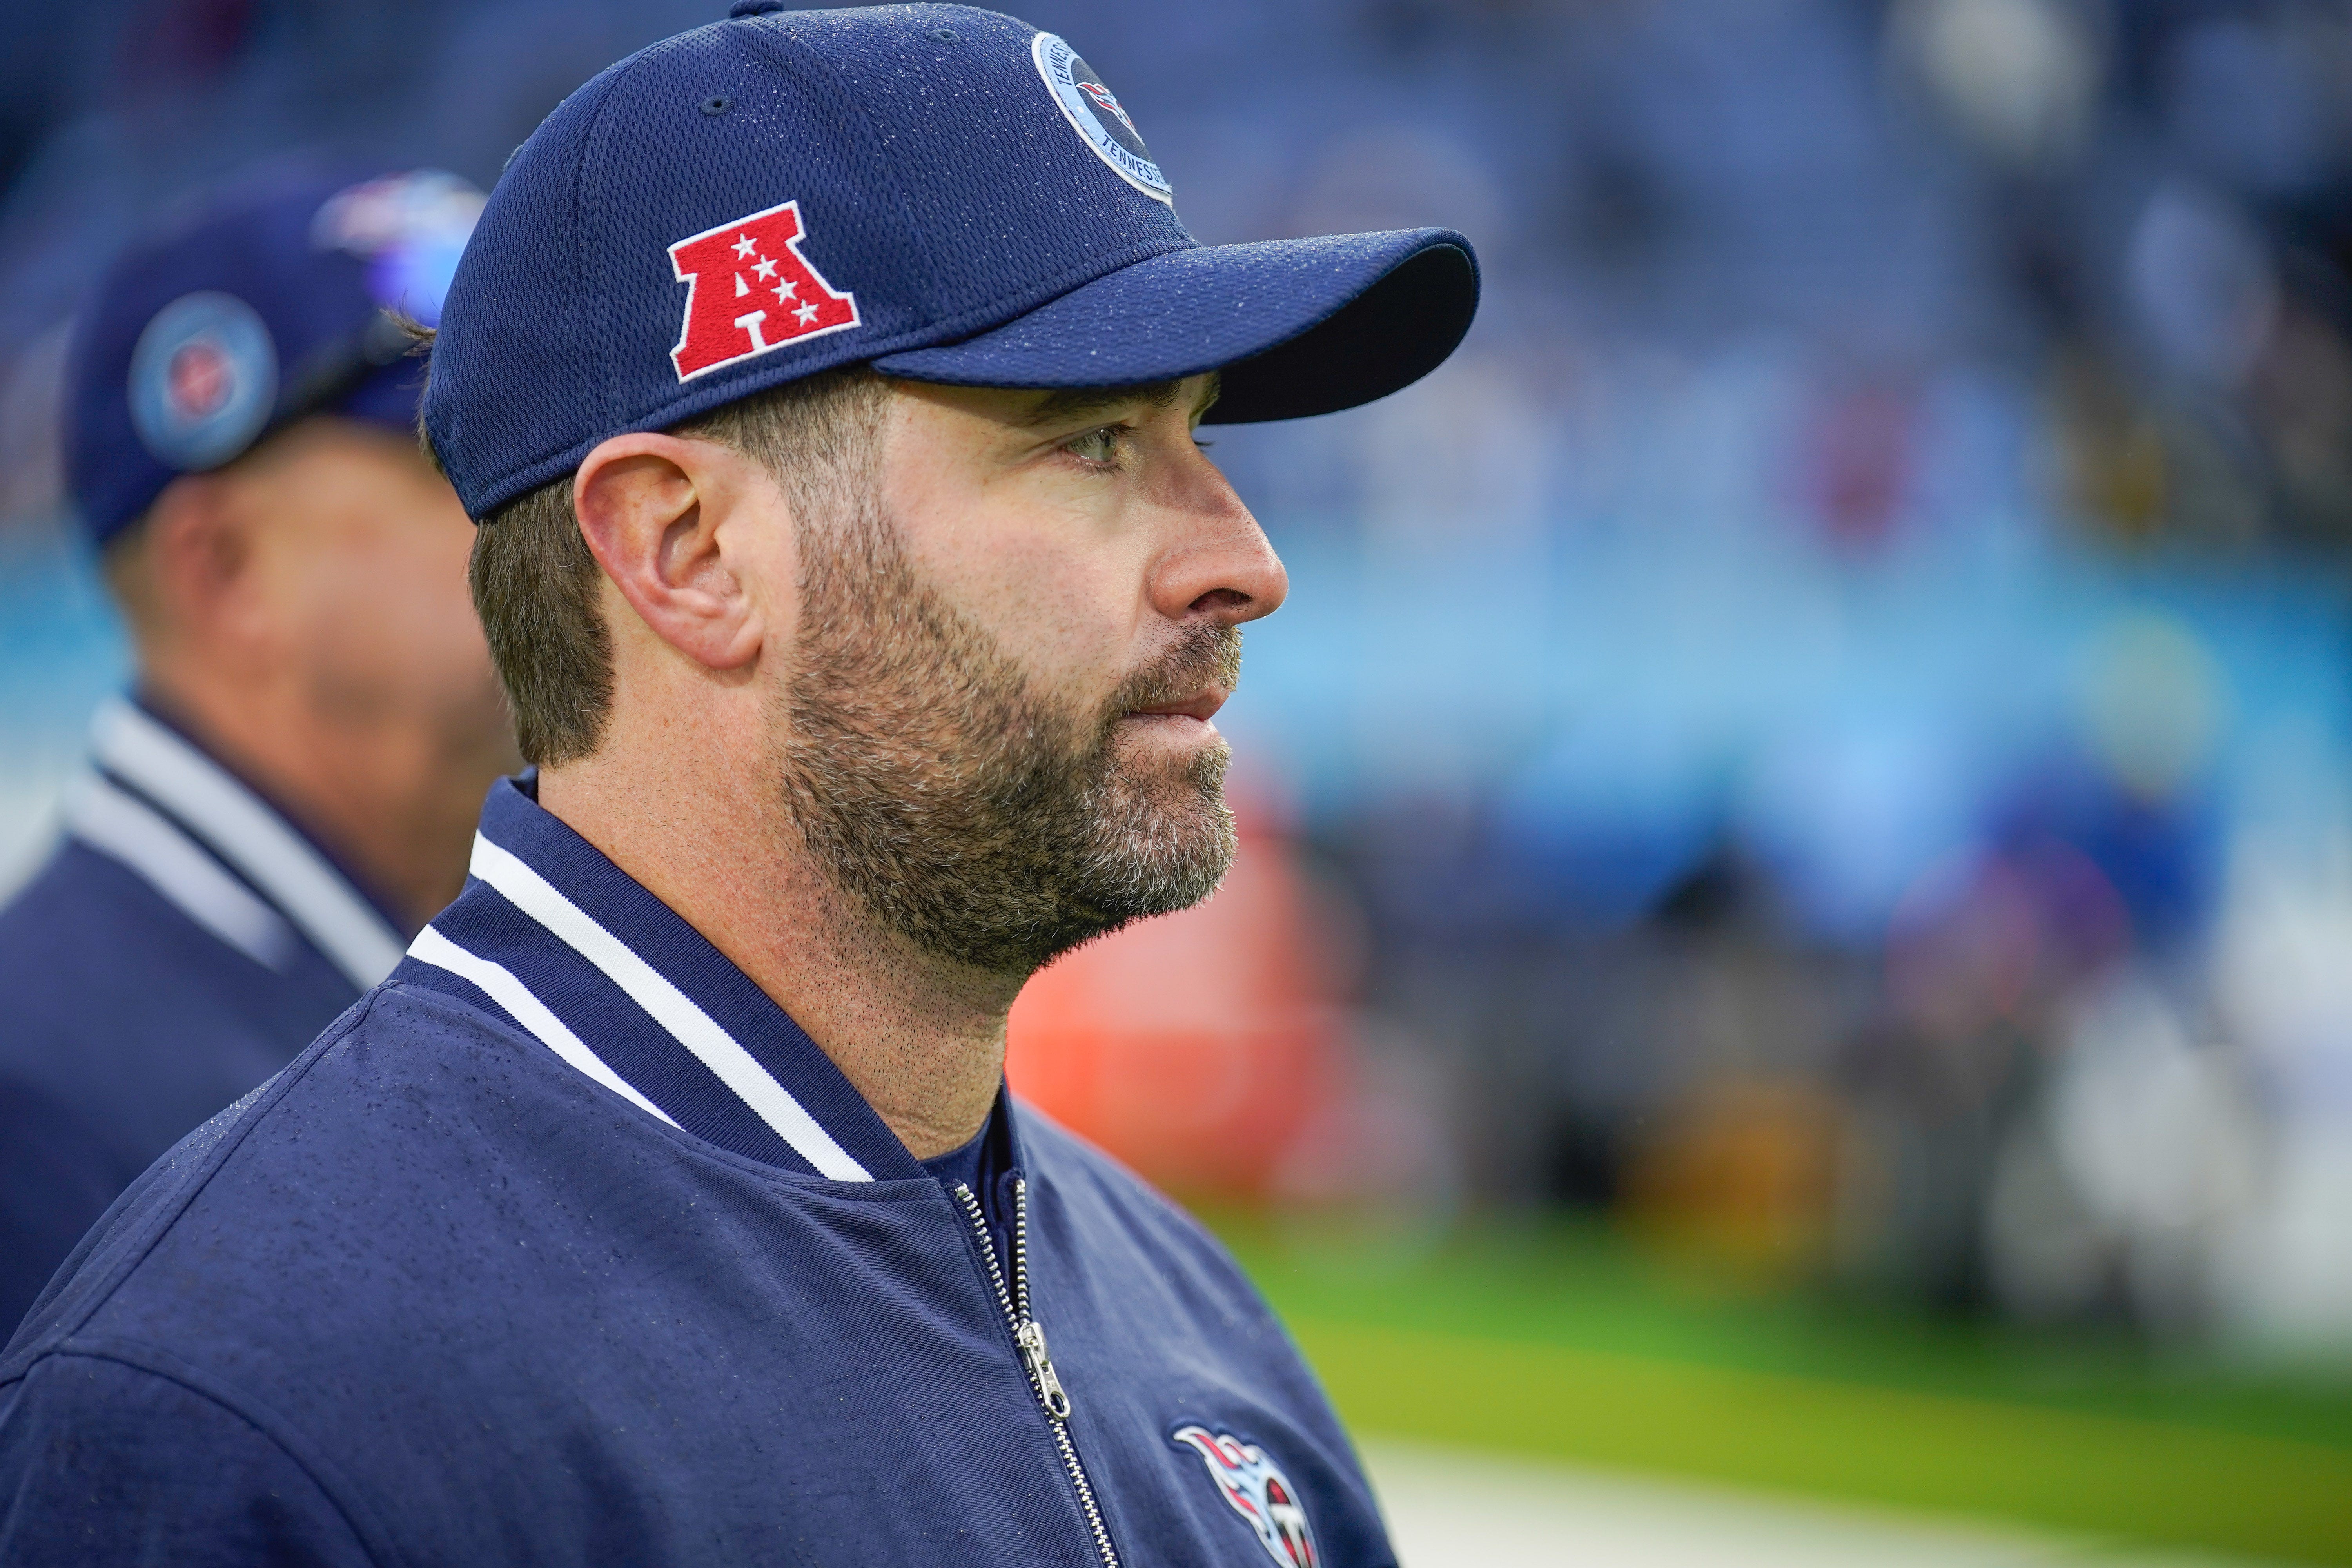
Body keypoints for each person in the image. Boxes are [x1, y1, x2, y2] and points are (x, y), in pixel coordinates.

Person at [0, 7, 1476, 1563]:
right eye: (1095, 437)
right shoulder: (249, 1413)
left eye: (1198, 432)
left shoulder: (1201, 1327)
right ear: (688, 553)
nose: (1246, 562)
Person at [0, 169, 517, 1330]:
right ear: (224, 570)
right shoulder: (35, 1103)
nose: (559, 501)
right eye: (462, 456)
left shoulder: (423, 983)